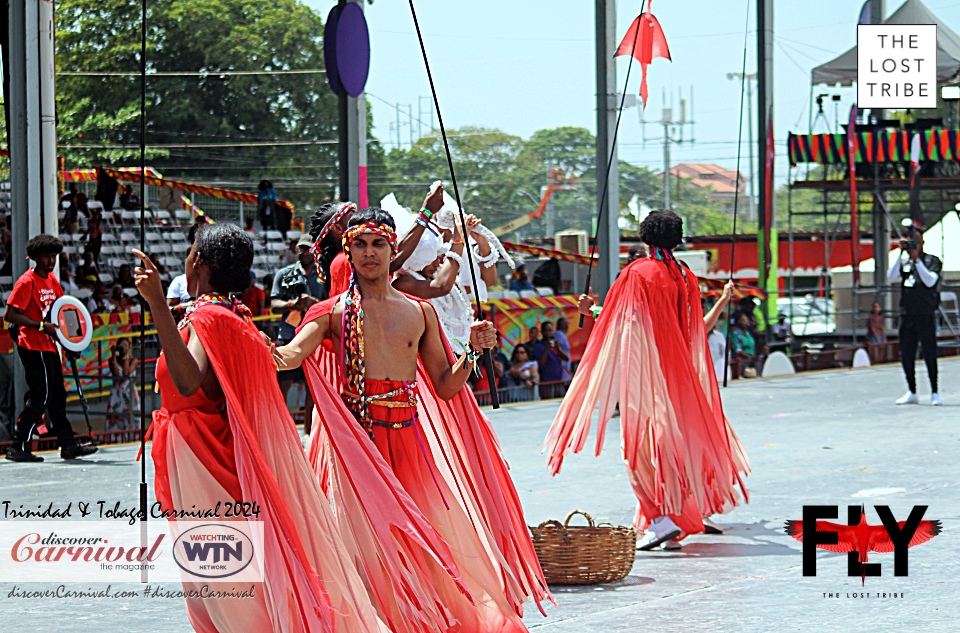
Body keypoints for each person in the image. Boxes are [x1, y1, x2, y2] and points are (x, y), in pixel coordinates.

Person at [274, 206, 550, 629]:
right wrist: (247, 338)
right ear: (348, 250)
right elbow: (290, 356)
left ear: (390, 250)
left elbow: (445, 384)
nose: (370, 253)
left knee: (422, 544)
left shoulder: (420, 312)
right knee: (361, 549)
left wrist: (473, 352)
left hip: (407, 441)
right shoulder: (332, 313)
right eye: (361, 245)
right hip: (355, 448)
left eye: (379, 244)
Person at [131, 227, 387, 633]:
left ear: (199, 263)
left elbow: (186, 381)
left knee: (224, 586)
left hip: (204, 461)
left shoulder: (208, 318)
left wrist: (158, 304)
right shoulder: (233, 317)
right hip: (205, 454)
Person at [548, 210, 749, 552]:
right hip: (680, 374)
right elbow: (692, 326)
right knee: (675, 445)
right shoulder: (686, 276)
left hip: (647, 373)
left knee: (637, 450)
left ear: (644, 237)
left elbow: (619, 321)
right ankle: (683, 513)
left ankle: (660, 520)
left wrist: (589, 311)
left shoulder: (637, 274)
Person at [4, 234, 97, 462]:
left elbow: (62, 313)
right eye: (46, 256)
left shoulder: (53, 280)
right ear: (35, 257)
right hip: (32, 345)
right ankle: (18, 445)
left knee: (58, 397)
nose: (51, 260)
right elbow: (10, 315)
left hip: (51, 346)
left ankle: (68, 445)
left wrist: (70, 343)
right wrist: (40, 325)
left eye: (53, 256)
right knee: (41, 396)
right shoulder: (27, 282)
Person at [270, 232, 325, 430]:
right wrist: (292, 304)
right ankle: (280, 433)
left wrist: (313, 304)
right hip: (288, 338)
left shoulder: (322, 275)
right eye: (301, 248)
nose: (305, 252)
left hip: (315, 339)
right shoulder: (284, 274)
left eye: (308, 248)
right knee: (281, 389)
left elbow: (331, 304)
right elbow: (274, 304)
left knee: (313, 392)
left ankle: (309, 435)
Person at [888, 221, 943, 406]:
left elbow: (929, 281)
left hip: (925, 312)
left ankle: (934, 391)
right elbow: (891, 276)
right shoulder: (904, 261)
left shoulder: (931, 261)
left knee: (929, 352)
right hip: (907, 313)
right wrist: (901, 253)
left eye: (915, 242)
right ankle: (912, 390)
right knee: (906, 353)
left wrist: (916, 259)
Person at [105, 337, 139, 432]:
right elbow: (116, 373)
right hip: (117, 392)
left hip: (129, 391)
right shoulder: (112, 360)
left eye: (125, 345)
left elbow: (126, 373)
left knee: (132, 415)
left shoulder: (133, 360)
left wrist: (126, 359)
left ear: (129, 347)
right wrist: (113, 356)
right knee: (115, 416)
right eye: (121, 346)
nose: (123, 348)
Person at [531, 321, 569, 398]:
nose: (548, 333)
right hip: (546, 384)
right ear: (542, 332)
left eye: (550, 330)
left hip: (558, 382)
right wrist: (547, 349)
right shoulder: (538, 347)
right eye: (546, 330)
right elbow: (541, 365)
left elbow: (566, 358)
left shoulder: (556, 344)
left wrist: (558, 348)